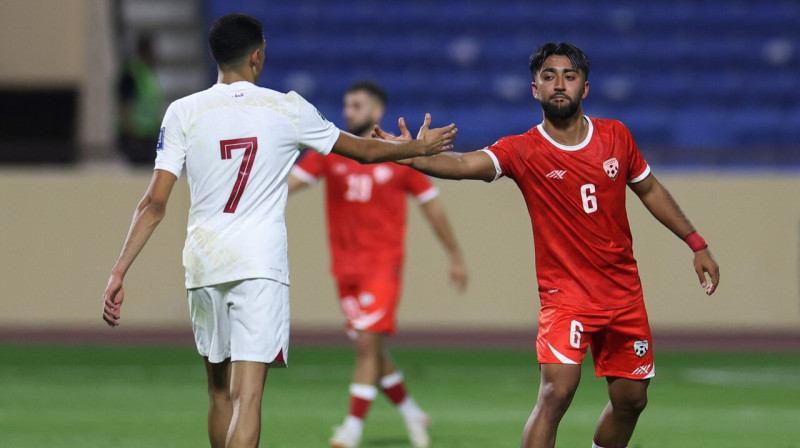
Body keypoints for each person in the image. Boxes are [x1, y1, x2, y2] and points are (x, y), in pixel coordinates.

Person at [100, 13, 457, 448]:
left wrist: (119, 270)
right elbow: (360, 150)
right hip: (259, 266)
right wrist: (417, 147)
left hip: (204, 262)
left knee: (217, 393)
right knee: (247, 398)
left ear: (215, 56)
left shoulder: (182, 112)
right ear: (257, 56)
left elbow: (154, 202)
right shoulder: (286, 108)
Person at [374, 42, 720, 448]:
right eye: (549, 77)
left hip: (623, 293)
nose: (559, 85)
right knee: (558, 390)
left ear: (585, 88)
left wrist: (696, 243)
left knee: (631, 401)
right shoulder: (523, 149)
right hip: (566, 296)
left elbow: (650, 189)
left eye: (569, 77)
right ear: (534, 89)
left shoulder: (616, 136)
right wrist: (414, 155)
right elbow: (464, 164)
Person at [288, 81, 468, 448]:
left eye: (355, 105)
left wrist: (454, 254)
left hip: (382, 267)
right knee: (370, 351)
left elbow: (432, 206)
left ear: (376, 112)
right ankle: (413, 412)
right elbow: (288, 184)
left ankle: (351, 429)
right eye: (346, 104)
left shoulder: (400, 155)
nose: (348, 111)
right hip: (344, 271)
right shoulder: (330, 149)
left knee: (368, 347)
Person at [117, 35, 165, 165]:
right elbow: (123, 103)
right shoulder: (132, 74)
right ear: (145, 51)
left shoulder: (148, 73)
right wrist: (129, 129)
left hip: (149, 134)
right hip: (135, 135)